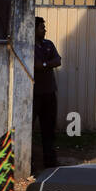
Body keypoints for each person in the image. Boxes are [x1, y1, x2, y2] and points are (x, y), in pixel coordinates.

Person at [34, 17, 62, 168]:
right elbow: (34, 65)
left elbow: (58, 61)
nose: (44, 30)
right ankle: (29, 162)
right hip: (34, 94)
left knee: (49, 129)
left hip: (49, 93)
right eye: (41, 28)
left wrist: (44, 64)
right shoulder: (28, 46)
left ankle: (50, 161)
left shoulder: (48, 44)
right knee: (29, 130)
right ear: (34, 30)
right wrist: (47, 64)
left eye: (44, 27)